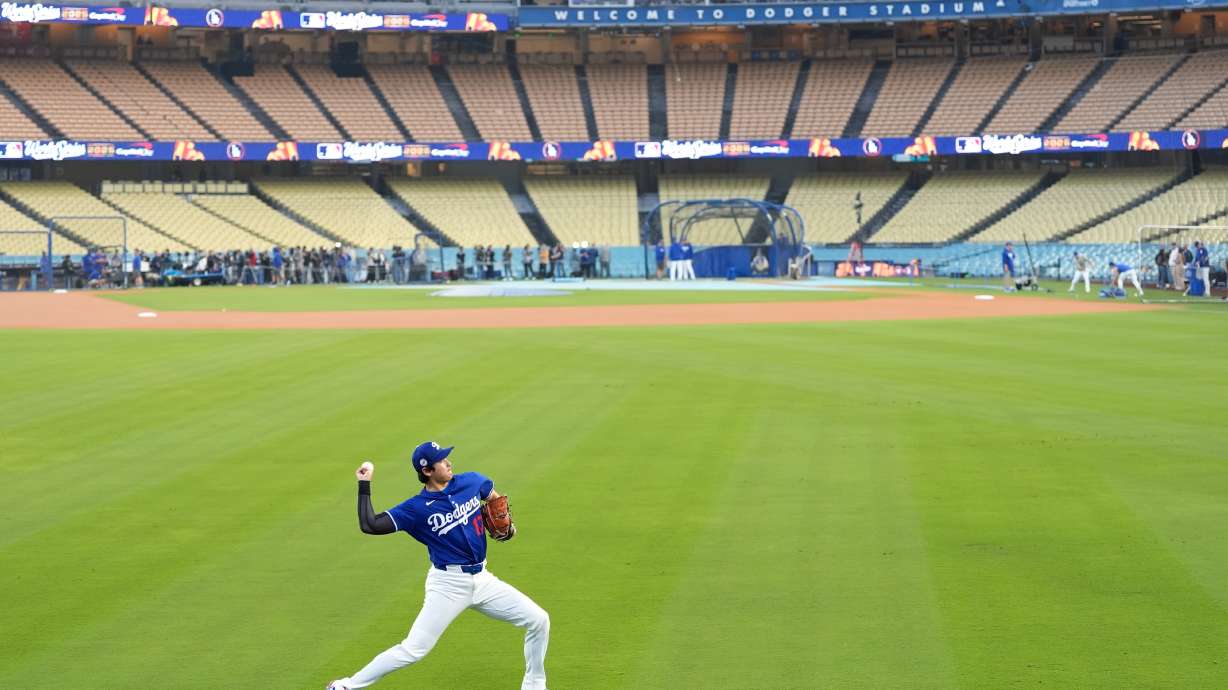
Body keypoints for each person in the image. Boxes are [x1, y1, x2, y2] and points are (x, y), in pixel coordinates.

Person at [328, 442, 549, 690]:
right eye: (442, 460)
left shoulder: (472, 482)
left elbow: (493, 497)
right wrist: (364, 484)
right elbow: (370, 525)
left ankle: (535, 685)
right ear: (428, 471)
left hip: (484, 580)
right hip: (448, 585)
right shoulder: (415, 509)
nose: (448, 462)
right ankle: (346, 685)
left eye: (446, 457)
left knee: (539, 620)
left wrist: (503, 519)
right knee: (413, 650)